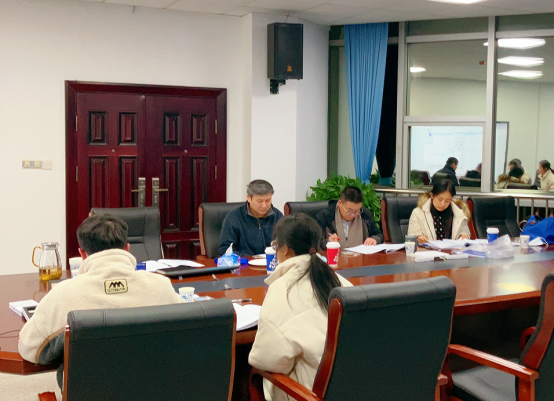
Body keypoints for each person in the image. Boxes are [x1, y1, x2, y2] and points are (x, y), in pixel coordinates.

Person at [18, 214, 184, 388]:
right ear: (127, 249)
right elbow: (191, 331)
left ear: (82, 254)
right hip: (155, 390)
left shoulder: (63, 295)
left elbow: (29, 349)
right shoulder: (161, 287)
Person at [248, 214, 352, 401]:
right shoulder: (340, 281)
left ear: (285, 250)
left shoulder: (283, 290)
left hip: (310, 394)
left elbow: (266, 360)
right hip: (351, 388)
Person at [218, 179, 283, 256]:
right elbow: (226, 250)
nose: (264, 205)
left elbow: (286, 245)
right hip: (244, 262)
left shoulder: (277, 216)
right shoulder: (233, 218)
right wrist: (252, 258)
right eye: (259, 201)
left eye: (268, 200)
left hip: (271, 261)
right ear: (249, 198)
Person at [315, 186, 383, 249]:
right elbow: (314, 244)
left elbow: (379, 235)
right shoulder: (325, 215)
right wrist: (328, 242)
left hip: (360, 256)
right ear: (340, 203)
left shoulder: (364, 214)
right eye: (349, 211)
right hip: (334, 256)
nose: (353, 215)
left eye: (357, 211)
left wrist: (374, 239)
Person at [407, 179, 471, 244]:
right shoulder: (418, 213)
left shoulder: (459, 214)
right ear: (432, 195)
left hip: (452, 250)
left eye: (447, 201)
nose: (442, 204)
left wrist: (464, 235)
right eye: (440, 199)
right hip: (427, 250)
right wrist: (418, 238)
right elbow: (411, 238)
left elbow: (465, 232)